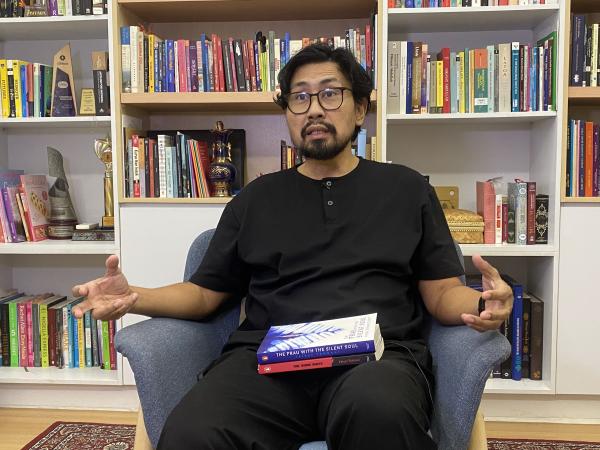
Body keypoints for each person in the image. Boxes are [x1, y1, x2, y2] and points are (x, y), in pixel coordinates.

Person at [72, 44, 513, 450]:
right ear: (287, 113)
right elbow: (205, 293)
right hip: (268, 364)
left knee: (379, 413)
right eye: (299, 98)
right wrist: (134, 296)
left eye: (330, 94)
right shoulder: (255, 199)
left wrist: (482, 303)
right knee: (193, 431)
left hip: (376, 361)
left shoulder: (407, 189)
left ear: (360, 108)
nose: (314, 108)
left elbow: (441, 293)